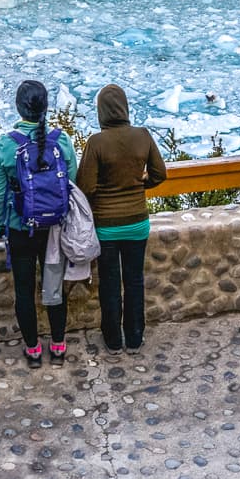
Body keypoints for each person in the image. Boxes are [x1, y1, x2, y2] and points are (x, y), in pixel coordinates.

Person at [0, 79, 77, 368]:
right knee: (53, 286)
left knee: (24, 290)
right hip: (53, 227)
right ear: (46, 107)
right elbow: (72, 182)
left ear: (18, 107)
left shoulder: (5, 144)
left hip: (19, 227)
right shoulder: (60, 140)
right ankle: (59, 345)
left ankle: (34, 350)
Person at [76, 84, 167, 352]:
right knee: (135, 280)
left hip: (106, 227)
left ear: (101, 111)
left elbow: (86, 187)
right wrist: (140, 185)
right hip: (138, 222)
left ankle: (113, 339)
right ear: (125, 107)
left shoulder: (96, 142)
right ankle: (135, 336)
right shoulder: (143, 136)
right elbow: (160, 174)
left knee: (110, 283)